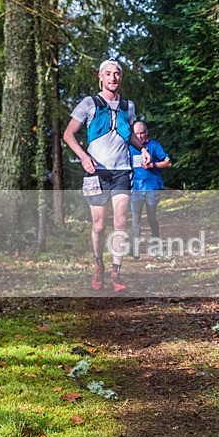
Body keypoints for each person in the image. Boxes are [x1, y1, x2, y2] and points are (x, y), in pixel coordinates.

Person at [63, 58, 150, 292]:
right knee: (99, 226)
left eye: (117, 74)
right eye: (108, 74)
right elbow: (68, 134)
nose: (113, 78)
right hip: (95, 172)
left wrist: (142, 149)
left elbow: (129, 135)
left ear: (121, 77)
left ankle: (116, 273)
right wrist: (83, 156)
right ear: (100, 77)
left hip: (122, 171)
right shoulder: (89, 103)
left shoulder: (127, 106)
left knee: (121, 222)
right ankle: (98, 264)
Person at [129, 121, 172, 258]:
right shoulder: (129, 147)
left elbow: (168, 162)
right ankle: (134, 251)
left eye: (142, 133)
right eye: (137, 134)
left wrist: (153, 165)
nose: (140, 136)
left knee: (151, 218)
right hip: (135, 188)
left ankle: (156, 246)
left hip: (152, 187)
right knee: (136, 219)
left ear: (146, 132)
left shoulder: (154, 146)